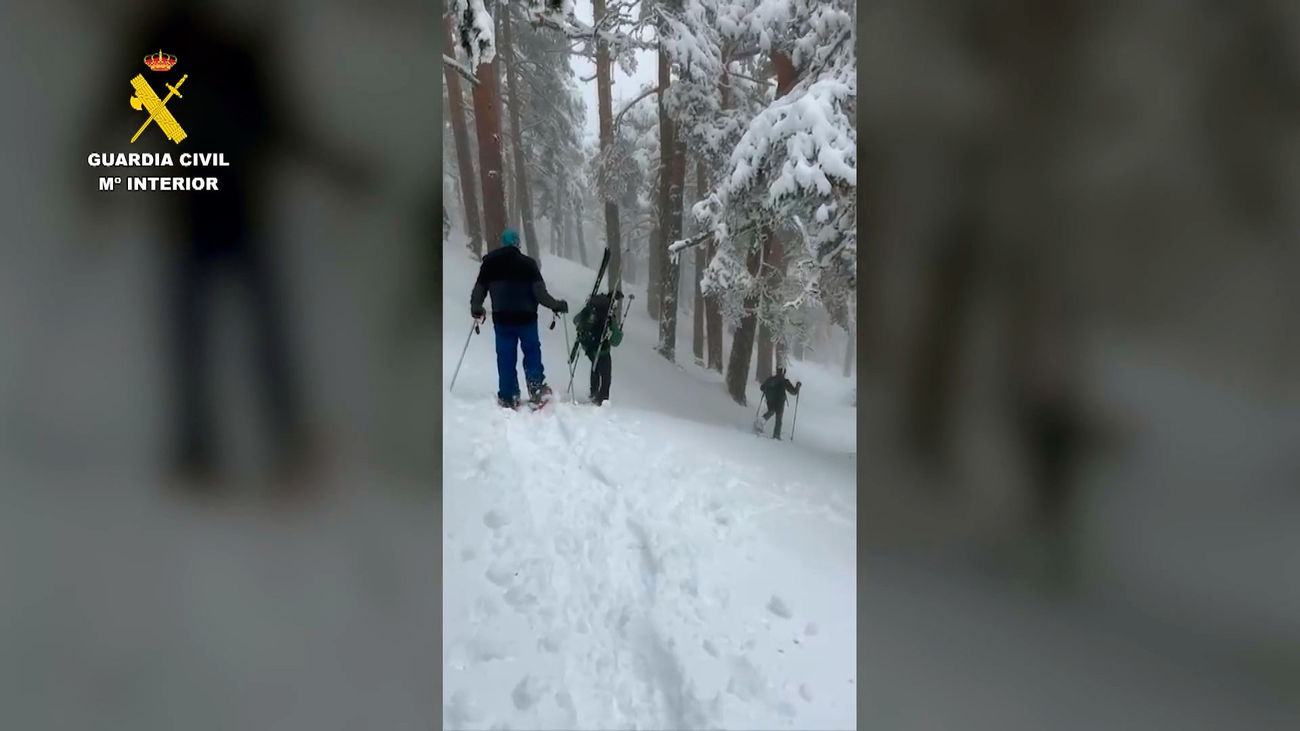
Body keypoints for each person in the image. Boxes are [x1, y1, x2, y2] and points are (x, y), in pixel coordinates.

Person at [470, 230, 568, 407]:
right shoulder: (529, 264)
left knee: (505, 356)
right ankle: (536, 389)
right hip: (526, 320)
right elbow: (540, 295)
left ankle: (508, 396)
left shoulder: (489, 263)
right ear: (517, 244)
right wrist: (557, 305)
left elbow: (479, 290)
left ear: (503, 243)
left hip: (502, 320)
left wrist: (476, 308)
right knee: (531, 352)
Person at [573, 291, 624, 405]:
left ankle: (593, 392)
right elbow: (615, 340)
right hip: (602, 349)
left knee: (595, 366)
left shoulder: (592, 305)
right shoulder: (608, 315)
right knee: (606, 375)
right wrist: (618, 334)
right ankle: (602, 400)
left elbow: (576, 319)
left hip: (588, 345)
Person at [757, 367, 802, 440]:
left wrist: (767, 388)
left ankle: (760, 423)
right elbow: (793, 392)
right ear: (783, 372)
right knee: (778, 417)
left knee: (772, 412)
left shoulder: (772, 379)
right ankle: (776, 435)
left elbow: (762, 388)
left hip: (772, 399)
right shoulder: (784, 381)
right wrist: (797, 387)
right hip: (780, 401)